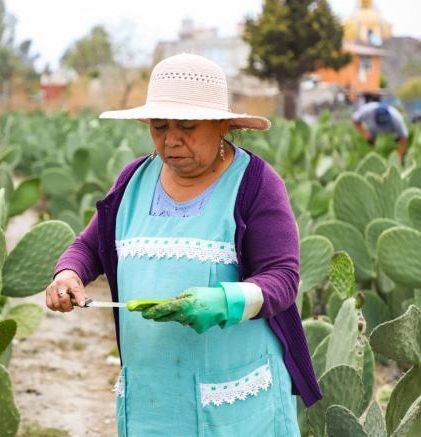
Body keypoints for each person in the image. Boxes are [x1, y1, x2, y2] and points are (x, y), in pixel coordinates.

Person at [45, 54, 321, 436]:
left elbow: (283, 278)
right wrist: (68, 274)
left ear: (222, 125)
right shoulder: (133, 181)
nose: (171, 139)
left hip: (233, 402)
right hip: (151, 399)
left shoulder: (256, 183)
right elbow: (90, 246)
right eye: (159, 127)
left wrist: (226, 302)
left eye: (187, 126)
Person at [352, 98, 409, 163]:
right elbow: (355, 120)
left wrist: (399, 157)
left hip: (391, 137)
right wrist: (365, 133)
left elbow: (403, 138)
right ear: (374, 116)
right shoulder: (366, 110)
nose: (382, 128)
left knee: (392, 151)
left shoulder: (397, 118)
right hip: (371, 132)